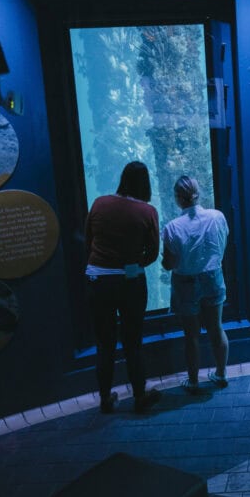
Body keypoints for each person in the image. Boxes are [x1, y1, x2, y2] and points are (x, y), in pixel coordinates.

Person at [85, 161, 162, 414]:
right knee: (133, 342)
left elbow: (89, 240)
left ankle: (105, 399)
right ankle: (140, 396)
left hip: (98, 279)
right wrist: (132, 262)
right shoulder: (147, 211)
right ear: (145, 183)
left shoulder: (99, 203)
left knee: (104, 343)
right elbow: (152, 253)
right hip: (130, 280)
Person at [162, 175, 230, 394]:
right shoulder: (217, 217)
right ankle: (220, 374)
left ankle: (193, 381)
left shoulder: (172, 228)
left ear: (178, 199)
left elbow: (169, 263)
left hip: (186, 282)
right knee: (216, 328)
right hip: (213, 276)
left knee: (191, 335)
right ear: (197, 193)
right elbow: (223, 244)